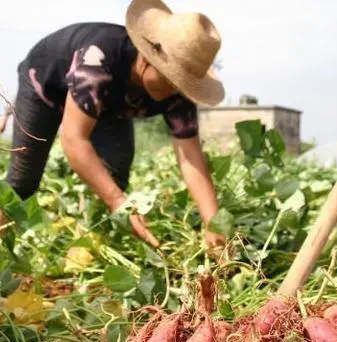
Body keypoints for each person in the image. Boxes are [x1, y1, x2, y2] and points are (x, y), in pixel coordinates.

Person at [0, 0, 226, 252]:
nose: (174, 90)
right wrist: (118, 202)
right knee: (22, 184)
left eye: (181, 83)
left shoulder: (177, 95)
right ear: (147, 58)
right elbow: (74, 139)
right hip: (46, 86)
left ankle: (91, 246)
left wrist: (214, 224)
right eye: (170, 78)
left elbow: (191, 159)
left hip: (104, 104)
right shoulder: (99, 61)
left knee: (115, 174)